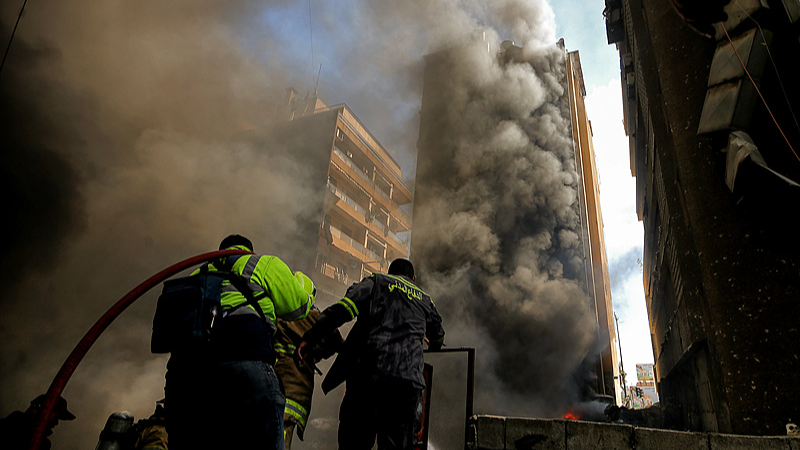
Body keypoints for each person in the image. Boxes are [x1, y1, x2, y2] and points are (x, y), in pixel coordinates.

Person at [164, 234, 313, 450]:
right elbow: (297, 307)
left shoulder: (199, 274)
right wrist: (307, 289)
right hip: (248, 363)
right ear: (248, 250)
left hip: (193, 375)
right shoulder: (261, 264)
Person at [298, 258, 445, 450]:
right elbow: (439, 337)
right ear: (413, 278)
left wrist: (311, 337)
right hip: (406, 385)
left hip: (368, 377)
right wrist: (429, 342)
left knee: (355, 442)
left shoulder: (376, 282)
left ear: (390, 272)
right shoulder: (425, 299)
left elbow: (343, 310)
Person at [273, 307, 342, 449]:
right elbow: (336, 341)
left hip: (274, 391)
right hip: (291, 396)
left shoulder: (278, 309)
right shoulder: (314, 318)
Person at [0, 394, 76, 450]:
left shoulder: (42, 443)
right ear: (42, 410)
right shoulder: (8, 429)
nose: (56, 423)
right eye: (56, 417)